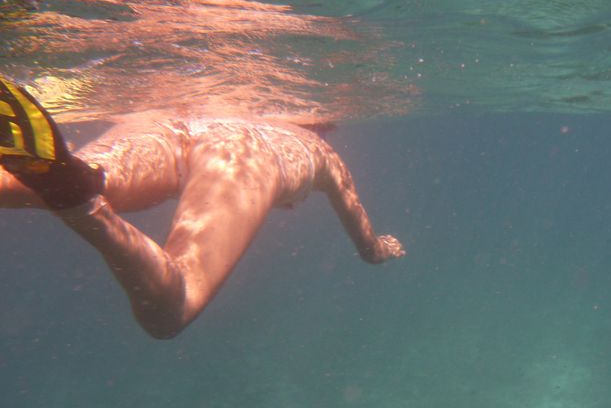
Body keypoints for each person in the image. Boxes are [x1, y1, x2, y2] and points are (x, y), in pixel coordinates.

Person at [0, 77, 404, 339]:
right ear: (323, 124)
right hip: (243, 154)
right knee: (171, 310)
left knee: (69, 177)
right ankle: (80, 203)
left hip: (171, 124)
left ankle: (73, 183)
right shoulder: (319, 150)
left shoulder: (182, 106)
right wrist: (380, 250)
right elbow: (362, 236)